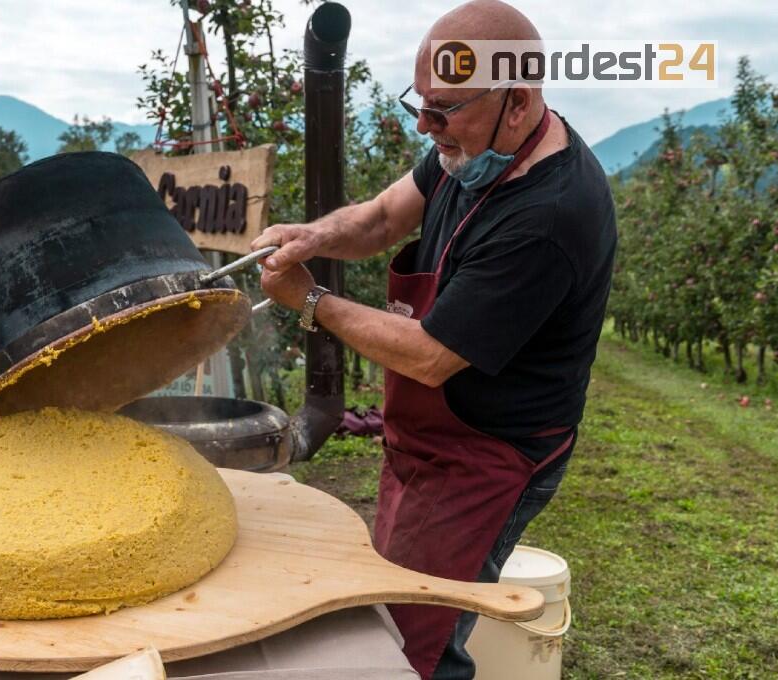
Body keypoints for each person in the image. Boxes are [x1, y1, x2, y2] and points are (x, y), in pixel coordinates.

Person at [251, 1, 617, 677]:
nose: (425, 125)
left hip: (490, 455)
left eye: (443, 109)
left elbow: (429, 355)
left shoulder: (550, 215)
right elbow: (385, 215)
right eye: (419, 104)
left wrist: (310, 298)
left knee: (413, 642)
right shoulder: (469, 148)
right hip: (426, 440)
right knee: (391, 605)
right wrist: (313, 236)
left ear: (518, 102)